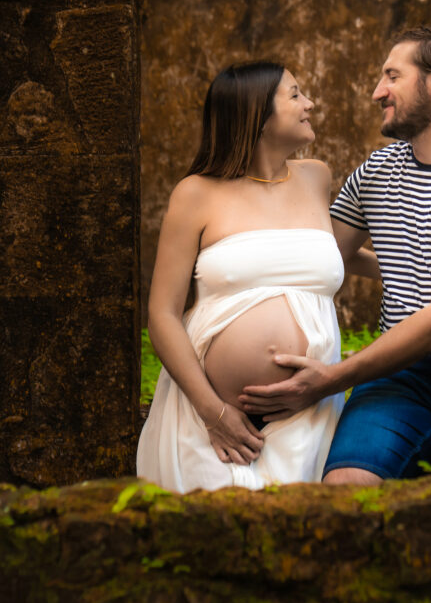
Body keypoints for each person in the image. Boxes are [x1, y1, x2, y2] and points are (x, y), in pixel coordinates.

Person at [240, 26, 431, 492]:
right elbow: (323, 257)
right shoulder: (375, 173)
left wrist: (331, 379)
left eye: (391, 76)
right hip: (400, 377)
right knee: (345, 489)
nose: (376, 92)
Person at [136, 61, 346, 493]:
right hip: (203, 418)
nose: (309, 103)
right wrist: (213, 412)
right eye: (295, 94)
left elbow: (333, 254)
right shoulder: (195, 193)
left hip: (309, 413)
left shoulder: (316, 177)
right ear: (258, 115)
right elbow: (162, 314)